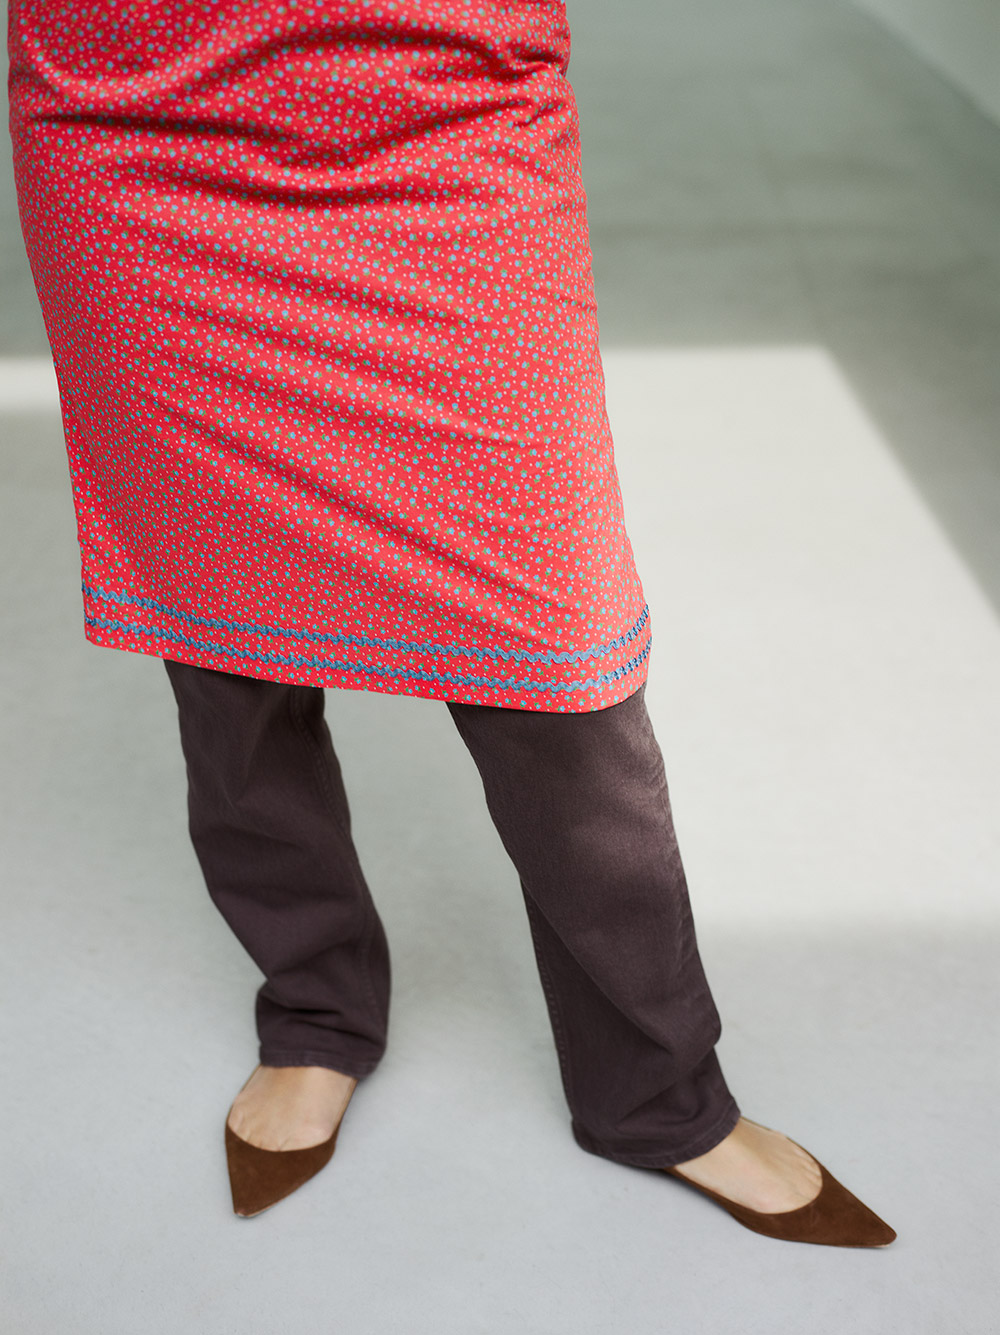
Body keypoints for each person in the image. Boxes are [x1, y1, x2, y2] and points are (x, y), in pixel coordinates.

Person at [8, 0, 895, 1245]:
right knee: (222, 635)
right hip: (135, 130)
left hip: (444, 118)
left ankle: (654, 1095)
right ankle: (316, 1009)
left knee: (558, 667)